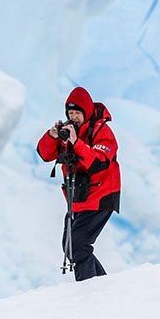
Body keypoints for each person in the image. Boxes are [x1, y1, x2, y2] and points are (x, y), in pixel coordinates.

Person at [37, 86, 121, 281]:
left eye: (77, 113)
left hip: (101, 196)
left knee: (77, 245)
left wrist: (77, 144)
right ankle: (103, 286)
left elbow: (98, 163)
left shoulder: (102, 132)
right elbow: (44, 154)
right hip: (78, 199)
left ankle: (89, 291)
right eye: (70, 113)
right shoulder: (68, 133)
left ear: (87, 112)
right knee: (71, 246)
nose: (73, 117)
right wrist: (52, 136)